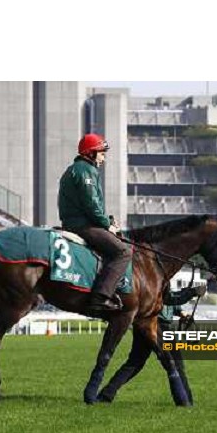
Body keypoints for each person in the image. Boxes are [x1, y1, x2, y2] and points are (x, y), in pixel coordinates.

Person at [58, 133, 132, 312]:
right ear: (91, 153)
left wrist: (108, 221)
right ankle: (101, 296)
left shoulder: (77, 169)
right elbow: (92, 206)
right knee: (124, 252)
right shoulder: (86, 171)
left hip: (78, 222)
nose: (103, 159)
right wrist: (107, 224)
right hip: (83, 225)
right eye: (101, 154)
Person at [98, 284, 206, 402]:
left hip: (143, 326)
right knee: (176, 363)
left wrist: (184, 315)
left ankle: (106, 394)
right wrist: (193, 292)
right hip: (159, 327)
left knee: (134, 363)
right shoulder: (156, 286)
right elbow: (172, 299)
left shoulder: (155, 284)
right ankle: (185, 400)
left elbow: (174, 305)